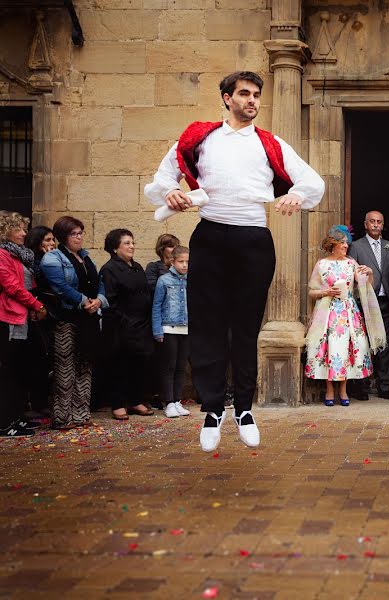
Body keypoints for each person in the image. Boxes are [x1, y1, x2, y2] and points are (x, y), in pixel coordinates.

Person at [144, 70, 325, 452]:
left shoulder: (269, 143)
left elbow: (313, 183)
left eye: (257, 95)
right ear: (227, 98)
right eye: (244, 94)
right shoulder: (200, 137)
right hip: (209, 235)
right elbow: (162, 179)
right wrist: (172, 192)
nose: (252, 101)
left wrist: (296, 197)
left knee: (245, 327)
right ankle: (212, 410)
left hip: (253, 238)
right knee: (207, 325)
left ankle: (244, 408)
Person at [305, 225, 385, 405]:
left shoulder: (350, 263)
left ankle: (343, 390)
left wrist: (369, 273)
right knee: (329, 349)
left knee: (347, 349)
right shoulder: (322, 264)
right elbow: (311, 291)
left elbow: (364, 284)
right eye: (342, 243)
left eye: (346, 243)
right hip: (328, 313)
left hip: (348, 312)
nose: (346, 246)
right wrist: (326, 292)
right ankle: (330, 390)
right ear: (333, 244)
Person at [41, 216, 107, 429]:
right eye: (74, 234)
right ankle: (62, 417)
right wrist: (83, 301)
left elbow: (100, 283)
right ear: (63, 236)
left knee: (84, 365)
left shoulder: (86, 257)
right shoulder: (54, 258)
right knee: (65, 368)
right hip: (67, 319)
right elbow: (60, 287)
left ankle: (80, 414)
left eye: (81, 233)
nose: (79, 237)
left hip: (88, 319)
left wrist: (99, 300)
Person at [0, 212, 48, 437]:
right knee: (9, 372)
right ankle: (5, 422)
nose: (23, 233)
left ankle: (15, 417)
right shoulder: (2, 254)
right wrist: (37, 305)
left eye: (23, 228)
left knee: (19, 371)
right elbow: (12, 287)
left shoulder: (21, 256)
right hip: (9, 316)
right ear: (5, 231)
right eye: (18, 229)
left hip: (22, 318)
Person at [99, 229, 155, 421]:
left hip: (142, 325)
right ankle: (118, 403)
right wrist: (126, 321)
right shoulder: (109, 269)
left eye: (132, 242)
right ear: (115, 248)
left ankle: (136, 400)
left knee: (140, 365)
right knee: (120, 366)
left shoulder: (137, 267)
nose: (132, 246)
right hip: (121, 327)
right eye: (126, 243)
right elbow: (110, 301)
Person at [348, 211, 389, 400]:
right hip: (365, 301)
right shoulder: (356, 246)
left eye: (379, 222)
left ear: (383, 225)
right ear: (365, 224)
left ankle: (384, 385)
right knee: (364, 344)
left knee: (386, 345)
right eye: (372, 222)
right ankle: (362, 385)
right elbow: (351, 274)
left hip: (386, 302)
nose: (376, 224)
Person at [152, 246, 191, 419]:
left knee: (181, 367)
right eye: (181, 261)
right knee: (169, 366)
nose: (184, 265)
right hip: (169, 328)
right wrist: (157, 330)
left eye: (187, 262)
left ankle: (177, 401)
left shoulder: (192, 280)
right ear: (172, 261)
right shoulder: (164, 280)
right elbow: (156, 305)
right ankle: (168, 402)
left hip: (187, 329)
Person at [24, 225, 57, 418]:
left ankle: (42, 400)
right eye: (47, 240)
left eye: (53, 240)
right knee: (36, 358)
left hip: (50, 313)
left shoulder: (54, 259)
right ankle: (34, 402)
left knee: (46, 359)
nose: (51, 244)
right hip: (36, 313)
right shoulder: (33, 261)